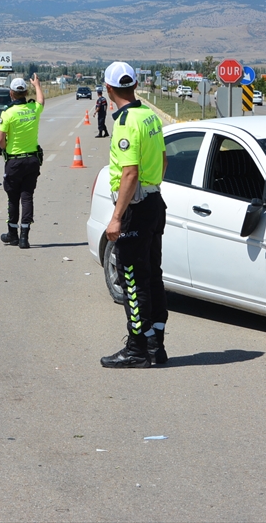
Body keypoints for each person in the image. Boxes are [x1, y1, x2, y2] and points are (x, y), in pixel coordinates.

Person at [100, 61, 168, 369]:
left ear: (109, 89)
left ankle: (137, 347)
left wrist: (117, 216)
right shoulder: (149, 116)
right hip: (153, 203)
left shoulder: (126, 122)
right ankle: (156, 344)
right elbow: (164, 160)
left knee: (131, 278)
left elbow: (129, 172)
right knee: (153, 275)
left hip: (136, 209)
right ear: (135, 86)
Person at [0, 74, 45, 249]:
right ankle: (24, 237)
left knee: (13, 198)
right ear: (25, 92)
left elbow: (0, 140)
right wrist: (37, 85)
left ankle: (12, 234)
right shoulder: (33, 109)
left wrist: (8, 148)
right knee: (27, 197)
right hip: (32, 160)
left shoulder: (8, 113)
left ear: (11, 93)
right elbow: (41, 101)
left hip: (14, 162)